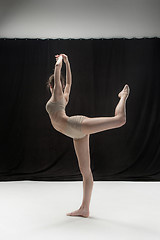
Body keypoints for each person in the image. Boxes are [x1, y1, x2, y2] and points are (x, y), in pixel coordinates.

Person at [46, 54, 130, 218]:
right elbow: (69, 82)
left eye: (60, 85)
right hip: (75, 134)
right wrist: (68, 62)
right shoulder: (63, 96)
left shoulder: (57, 96)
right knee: (86, 172)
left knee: (120, 120)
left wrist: (61, 61)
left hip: (77, 125)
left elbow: (58, 70)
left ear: (53, 85)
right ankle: (85, 209)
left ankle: (123, 97)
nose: (61, 86)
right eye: (59, 85)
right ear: (52, 85)